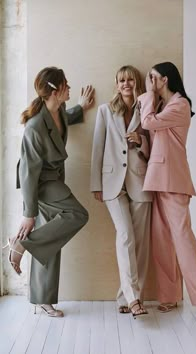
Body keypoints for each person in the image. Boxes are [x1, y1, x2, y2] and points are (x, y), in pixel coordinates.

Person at [3, 66, 94, 317]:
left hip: (54, 179)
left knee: (52, 238)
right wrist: (28, 214)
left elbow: (65, 119)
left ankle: (42, 301)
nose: (70, 86)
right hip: (42, 184)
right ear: (55, 90)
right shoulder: (34, 127)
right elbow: (28, 173)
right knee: (78, 214)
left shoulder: (59, 109)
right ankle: (21, 243)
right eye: (66, 83)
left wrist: (81, 108)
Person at [138, 61, 196, 322]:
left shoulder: (179, 105)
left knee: (183, 240)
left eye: (152, 77)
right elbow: (153, 137)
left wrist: (148, 96)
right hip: (157, 177)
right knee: (161, 240)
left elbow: (149, 123)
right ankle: (169, 296)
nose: (148, 81)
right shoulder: (163, 106)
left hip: (173, 180)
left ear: (164, 79)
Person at [90, 65, 152, 318]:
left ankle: (125, 297)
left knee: (140, 245)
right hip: (112, 183)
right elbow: (97, 148)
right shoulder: (105, 111)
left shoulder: (146, 110)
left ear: (136, 83)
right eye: (122, 80)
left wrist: (142, 141)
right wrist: (96, 184)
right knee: (125, 235)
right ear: (116, 84)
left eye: (130, 80)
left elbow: (154, 148)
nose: (126, 83)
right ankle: (134, 299)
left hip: (140, 181)